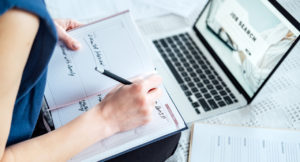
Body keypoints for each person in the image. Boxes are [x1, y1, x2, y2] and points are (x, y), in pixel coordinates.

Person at [0, 0, 180, 161]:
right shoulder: (17, 16)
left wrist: (36, 31)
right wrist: (108, 118)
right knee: (164, 138)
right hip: (19, 144)